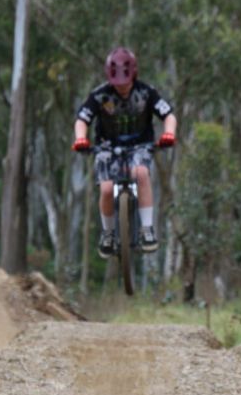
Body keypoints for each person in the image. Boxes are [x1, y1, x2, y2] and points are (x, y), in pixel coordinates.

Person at [72, 46, 177, 258]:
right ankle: (108, 233)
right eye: (116, 83)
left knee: (141, 173)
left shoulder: (147, 92)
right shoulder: (100, 95)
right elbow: (82, 119)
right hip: (106, 147)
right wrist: (81, 138)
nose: (121, 88)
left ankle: (147, 229)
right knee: (107, 189)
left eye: (125, 83)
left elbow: (169, 115)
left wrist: (169, 133)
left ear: (134, 75)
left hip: (140, 146)